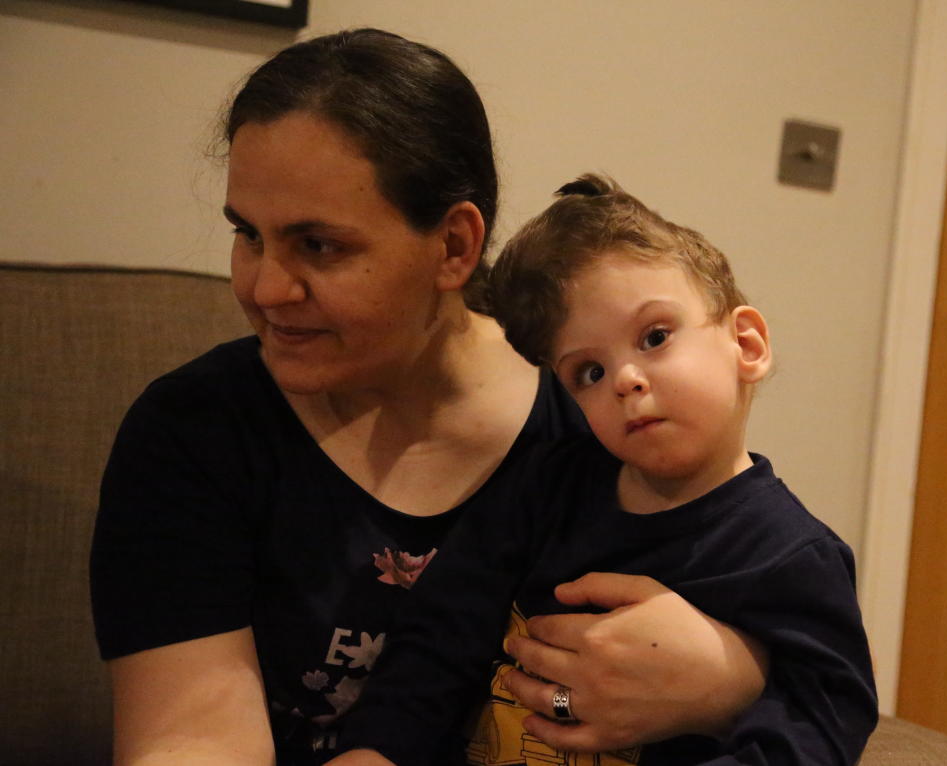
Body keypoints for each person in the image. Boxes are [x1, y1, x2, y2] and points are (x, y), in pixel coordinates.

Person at [89, 30, 768, 766]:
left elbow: (761, 594)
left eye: (318, 245)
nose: (264, 289)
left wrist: (729, 682)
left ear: (453, 246)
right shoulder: (196, 431)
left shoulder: (597, 420)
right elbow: (190, 741)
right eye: (248, 235)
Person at [328, 175, 879, 765]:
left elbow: (819, 723)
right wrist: (377, 750)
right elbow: (440, 639)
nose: (624, 380)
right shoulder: (546, 489)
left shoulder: (793, 555)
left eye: (655, 336)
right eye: (588, 372)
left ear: (746, 344)